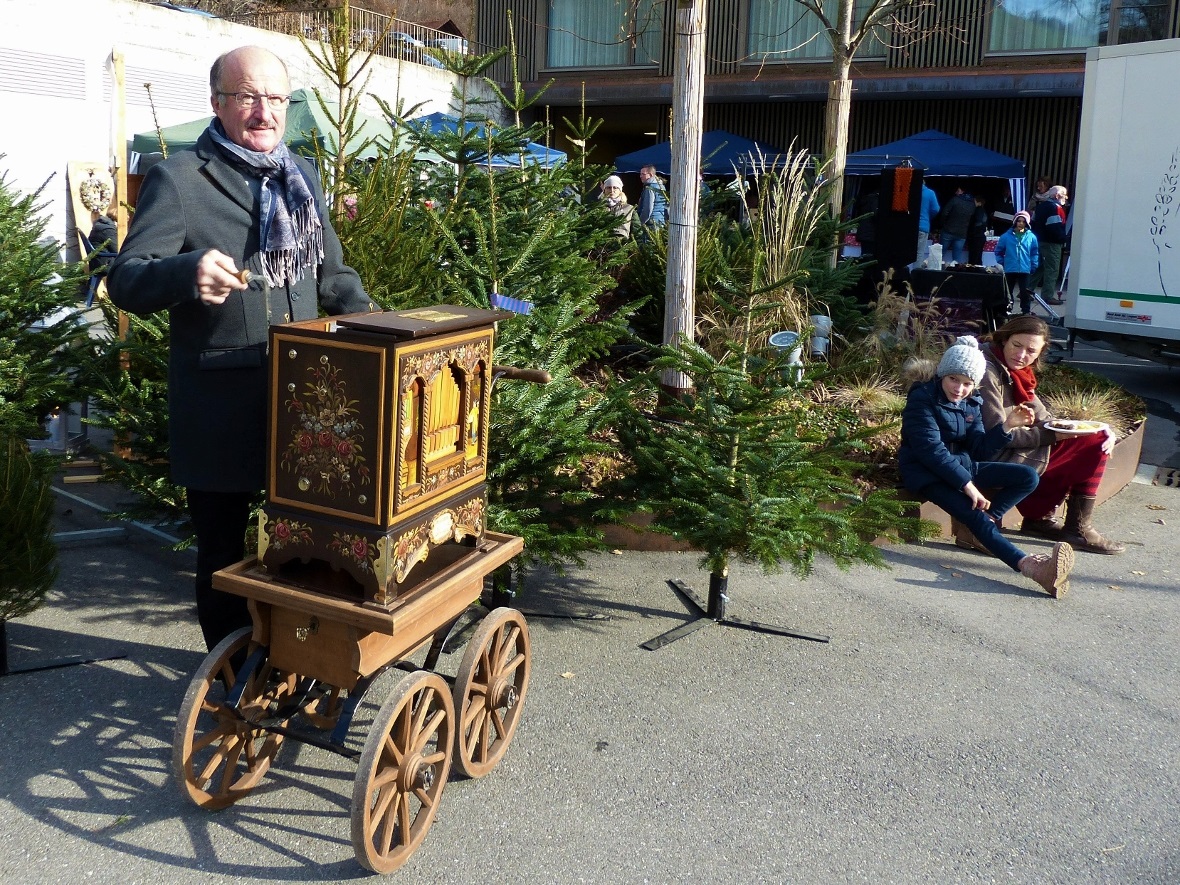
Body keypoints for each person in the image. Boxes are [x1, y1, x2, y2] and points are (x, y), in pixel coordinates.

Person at [106, 46, 377, 651]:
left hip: (307, 408)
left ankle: (295, 660)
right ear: (218, 103)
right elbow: (124, 280)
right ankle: (232, 682)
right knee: (225, 558)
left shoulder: (302, 177)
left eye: (276, 98)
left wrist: (378, 326)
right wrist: (185, 272)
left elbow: (331, 277)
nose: (264, 112)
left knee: (307, 551)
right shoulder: (180, 178)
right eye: (248, 97)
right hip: (221, 412)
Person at [899, 335, 1074, 598]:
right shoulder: (922, 399)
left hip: (962, 466)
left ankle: (982, 529)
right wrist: (967, 485)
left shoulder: (972, 401)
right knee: (975, 515)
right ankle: (1034, 569)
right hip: (926, 472)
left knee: (1027, 477)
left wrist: (1007, 426)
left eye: (968, 383)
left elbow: (980, 448)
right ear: (943, 375)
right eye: (954, 379)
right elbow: (930, 451)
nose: (959, 389)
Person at [978, 315, 1125, 555]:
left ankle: (1040, 518)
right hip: (990, 454)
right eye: (1017, 345)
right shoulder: (988, 370)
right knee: (1093, 444)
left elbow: (1047, 420)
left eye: (1031, 351)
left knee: (1095, 437)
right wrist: (1053, 436)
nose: (1022, 355)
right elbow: (997, 433)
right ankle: (1073, 528)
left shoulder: (1017, 373)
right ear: (1004, 339)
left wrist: (1096, 427)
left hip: (1009, 450)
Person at [993, 211, 1040, 315]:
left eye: (1023, 222)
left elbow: (1034, 252)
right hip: (1010, 268)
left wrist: (1034, 265)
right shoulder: (1006, 236)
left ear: (1027, 223)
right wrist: (1003, 262)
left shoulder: (1031, 237)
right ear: (1015, 222)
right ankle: (1007, 310)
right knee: (1008, 292)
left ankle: (1026, 311)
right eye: (1019, 221)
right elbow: (998, 251)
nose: (1020, 223)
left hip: (1025, 268)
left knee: (1025, 292)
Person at [1030, 185, 1068, 305]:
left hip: (1039, 240)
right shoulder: (1055, 208)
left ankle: (1026, 290)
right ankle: (1047, 296)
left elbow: (1033, 222)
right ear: (1057, 196)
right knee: (1052, 269)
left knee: (1039, 267)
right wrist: (1063, 239)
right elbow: (1054, 228)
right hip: (1052, 243)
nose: (1066, 198)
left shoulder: (1040, 207)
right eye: (1064, 195)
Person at [936, 185, 974, 265]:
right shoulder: (972, 204)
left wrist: (942, 225)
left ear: (963, 191)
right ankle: (955, 274)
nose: (956, 192)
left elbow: (944, 213)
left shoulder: (954, 200)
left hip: (948, 230)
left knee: (939, 254)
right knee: (957, 259)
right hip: (962, 234)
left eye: (958, 190)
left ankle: (935, 272)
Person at [912, 181, 940, 269]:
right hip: (922, 226)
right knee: (919, 253)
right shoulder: (930, 193)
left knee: (904, 252)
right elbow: (936, 209)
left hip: (908, 227)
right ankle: (914, 276)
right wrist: (928, 217)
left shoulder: (909, 191)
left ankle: (900, 276)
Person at [599, 174, 634, 239]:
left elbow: (637, 230)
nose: (612, 190)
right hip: (602, 246)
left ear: (620, 190)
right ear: (604, 190)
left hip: (622, 245)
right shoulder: (598, 208)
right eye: (609, 187)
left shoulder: (629, 208)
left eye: (615, 187)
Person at [637, 164, 668, 229]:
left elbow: (648, 208)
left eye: (643, 174)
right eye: (640, 174)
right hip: (661, 222)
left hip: (651, 223)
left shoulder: (650, 188)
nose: (640, 176)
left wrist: (640, 223)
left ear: (650, 175)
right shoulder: (662, 187)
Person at [966, 193, 989, 265]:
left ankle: (973, 271)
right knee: (978, 256)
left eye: (974, 201)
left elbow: (977, 223)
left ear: (979, 202)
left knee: (974, 256)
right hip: (981, 236)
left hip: (976, 236)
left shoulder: (977, 210)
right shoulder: (984, 211)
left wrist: (971, 233)